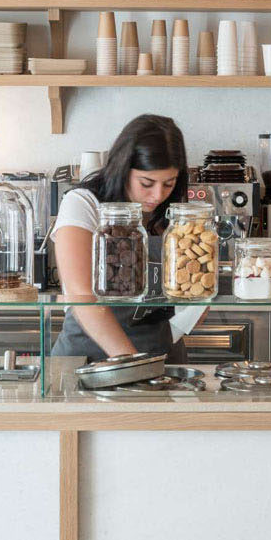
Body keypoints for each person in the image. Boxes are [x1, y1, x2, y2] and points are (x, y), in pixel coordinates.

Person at [52, 113, 195, 362]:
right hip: (89, 361)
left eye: (169, 183)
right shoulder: (83, 203)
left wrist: (189, 314)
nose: (158, 195)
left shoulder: (173, 215)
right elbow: (81, 294)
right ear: (123, 168)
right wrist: (133, 363)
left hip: (161, 361)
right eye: (147, 183)